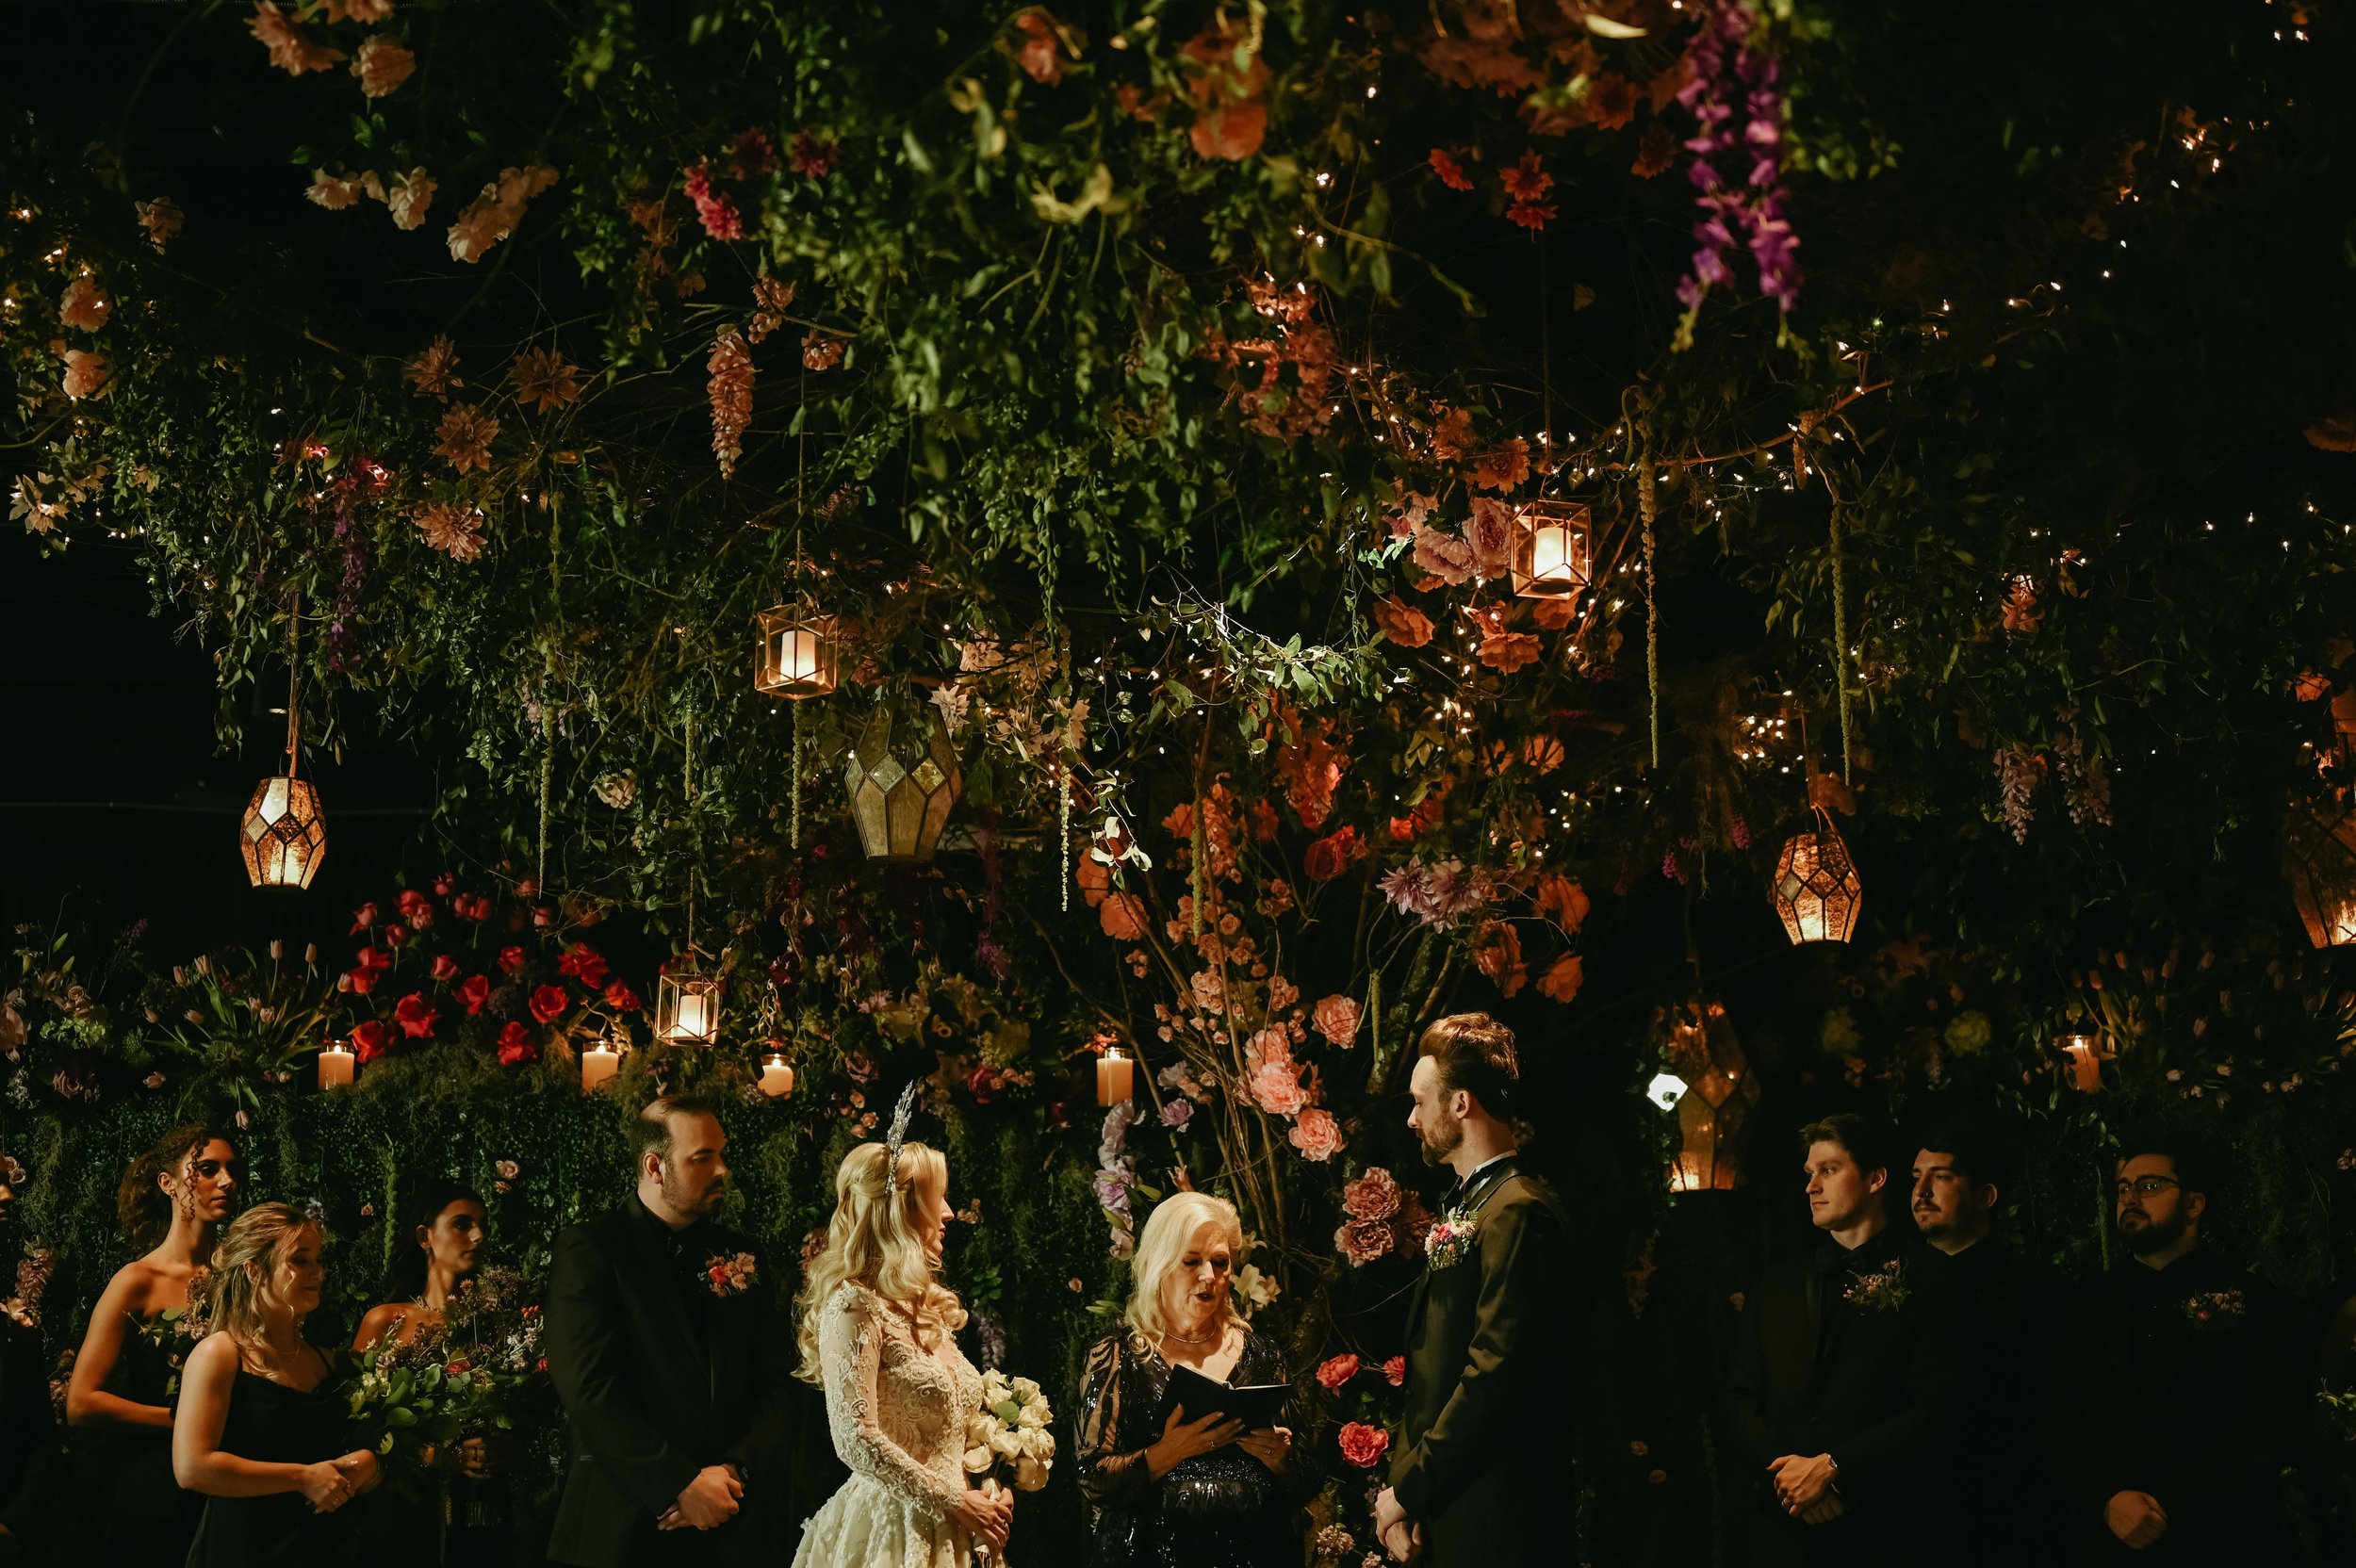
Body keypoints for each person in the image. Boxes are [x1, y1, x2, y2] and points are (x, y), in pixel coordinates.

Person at [545, 1096, 793, 1568]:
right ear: (655, 1167)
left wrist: (734, 1470)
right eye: (702, 1158)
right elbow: (587, 1388)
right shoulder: (593, 1249)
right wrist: (679, 1483)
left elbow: (777, 1383)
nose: (722, 1170)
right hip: (625, 1524)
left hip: (733, 1525)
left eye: (722, 1154)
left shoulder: (743, 1254)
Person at [1374, 1012, 1573, 1567]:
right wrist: (1407, 1495)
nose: (1411, 1119)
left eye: (1419, 1101)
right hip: (1448, 1504)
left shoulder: (1519, 1211)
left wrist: (1409, 1489)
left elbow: (1494, 1376)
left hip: (1494, 1518)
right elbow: (1431, 1370)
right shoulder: (1474, 1206)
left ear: (1460, 1103)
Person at [2051, 1137, 2306, 1562]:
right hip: (2107, 1538)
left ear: (2194, 1204)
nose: (2129, 1198)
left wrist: (2171, 1502)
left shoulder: (2252, 1299)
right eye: (2122, 1189)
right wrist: (2107, 1498)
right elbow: (2056, 1417)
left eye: (2149, 1186)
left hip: (2223, 1536)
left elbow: (2271, 1419)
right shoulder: (2084, 1305)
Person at [1726, 1113, 1963, 1564]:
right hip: (1782, 1530)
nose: (1811, 1187)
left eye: (1828, 1171)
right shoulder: (1775, 1283)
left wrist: (1836, 1469)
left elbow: (1937, 1407)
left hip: (1887, 1527)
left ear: (1875, 1179)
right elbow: (1739, 1397)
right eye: (1809, 1174)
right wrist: (1792, 1480)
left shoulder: (1933, 1279)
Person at [791, 1130, 1010, 1568]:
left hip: (959, 1525)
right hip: (893, 1525)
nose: (948, 1213)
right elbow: (855, 1440)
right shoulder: (854, 1305)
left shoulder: (924, 1305)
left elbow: (950, 1430)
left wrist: (988, 1486)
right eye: (938, 1198)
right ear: (900, 1210)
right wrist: (954, 1500)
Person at [1075, 1190, 1299, 1568]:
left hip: (1253, 1551)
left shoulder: (1261, 1354)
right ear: (1159, 1266)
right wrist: (1166, 1453)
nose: (1208, 1276)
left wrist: (1281, 1460)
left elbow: (1307, 1475)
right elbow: (1090, 1477)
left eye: (1220, 1262)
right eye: (1191, 1261)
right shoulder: (1117, 1355)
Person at [65, 1121, 240, 1563]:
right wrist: (184, 1423)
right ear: (168, 1183)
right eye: (206, 1168)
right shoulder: (137, 1281)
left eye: (232, 1169)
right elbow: (82, 1403)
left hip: (235, 1473)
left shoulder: (243, 1275)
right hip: (159, 1483)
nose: (226, 1180)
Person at [173, 1201, 384, 1564]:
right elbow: (192, 1468)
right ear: (254, 1269)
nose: (317, 1271)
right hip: (244, 1548)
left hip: (318, 1548)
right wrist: (301, 1477)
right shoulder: (220, 1354)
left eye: (318, 1260)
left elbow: (361, 1460)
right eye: (300, 1260)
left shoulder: (327, 1362)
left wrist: (370, 1465)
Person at [1906, 1125, 2062, 1561]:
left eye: (1941, 1176)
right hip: (1909, 1505)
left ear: (1985, 1196)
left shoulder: (2035, 1287)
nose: (1920, 1191)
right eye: (1916, 1176)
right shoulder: (1897, 1281)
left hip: (2007, 1507)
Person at [353, 1182, 509, 1568]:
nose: (478, 1235)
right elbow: (353, 1422)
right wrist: (432, 1455)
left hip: (482, 1504)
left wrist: (504, 1448)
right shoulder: (387, 1320)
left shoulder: (496, 1326)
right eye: (461, 1224)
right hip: (403, 1505)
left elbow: (521, 1418)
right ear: (425, 1236)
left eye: (483, 1225)